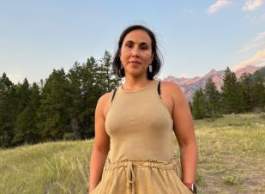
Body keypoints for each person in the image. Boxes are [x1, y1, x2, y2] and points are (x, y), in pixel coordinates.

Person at [88, 24, 198, 194]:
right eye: (129, 45)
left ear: (152, 56)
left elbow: (187, 142)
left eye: (143, 47)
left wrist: (189, 185)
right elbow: (100, 149)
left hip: (163, 186)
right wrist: (92, 189)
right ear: (120, 53)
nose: (135, 53)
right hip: (113, 187)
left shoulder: (169, 92)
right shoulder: (105, 101)